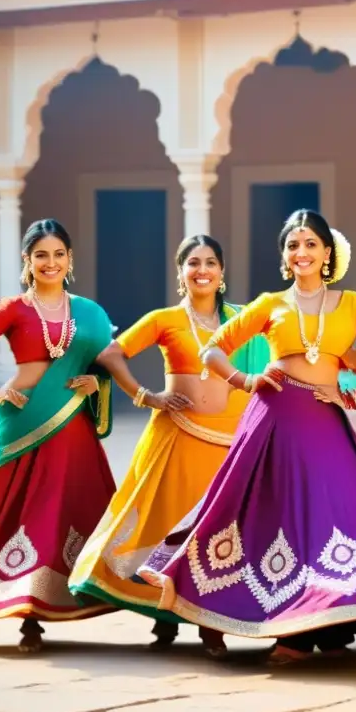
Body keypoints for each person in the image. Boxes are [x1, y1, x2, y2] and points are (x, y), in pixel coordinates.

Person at [138, 210, 356, 664]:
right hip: (274, 418)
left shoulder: (352, 304)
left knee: (335, 515)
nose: (302, 253)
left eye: (310, 244)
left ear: (327, 253)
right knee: (279, 518)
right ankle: (291, 628)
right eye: (293, 245)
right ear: (285, 256)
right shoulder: (269, 303)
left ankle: (332, 615)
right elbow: (212, 349)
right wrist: (244, 380)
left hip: (324, 421)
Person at [69, 234, 270, 657]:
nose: (202, 270)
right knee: (167, 526)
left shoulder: (243, 319)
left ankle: (210, 623)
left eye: (210, 262)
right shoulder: (164, 319)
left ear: (222, 271)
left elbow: (280, 352)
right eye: (192, 262)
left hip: (229, 443)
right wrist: (147, 396)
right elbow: (110, 353)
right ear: (180, 272)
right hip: (177, 436)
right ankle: (166, 614)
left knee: (216, 532)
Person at [0, 220, 129, 651]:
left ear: (69, 259)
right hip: (21, 419)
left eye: (57, 254)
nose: (50, 263)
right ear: (27, 261)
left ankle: (51, 604)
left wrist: (97, 385)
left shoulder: (90, 312)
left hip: (72, 426)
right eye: (41, 255)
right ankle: (22, 609)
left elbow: (106, 364)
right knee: (10, 507)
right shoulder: (13, 308)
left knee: (59, 510)